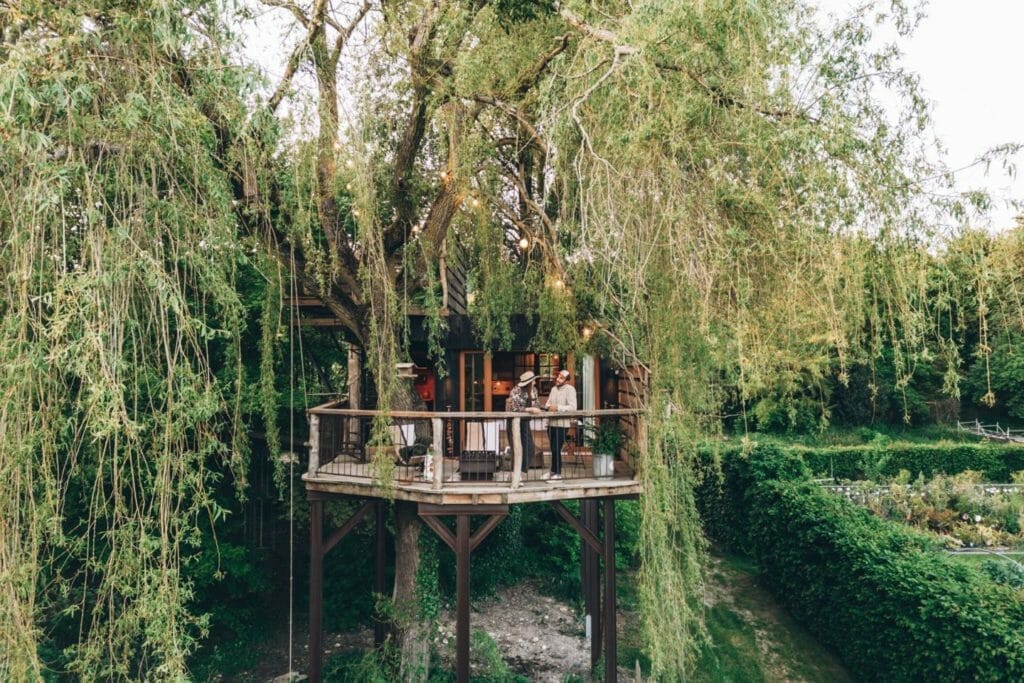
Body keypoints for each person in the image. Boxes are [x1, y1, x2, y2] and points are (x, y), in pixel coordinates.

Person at [544, 369, 577, 480]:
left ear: (566, 381)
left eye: (561, 378)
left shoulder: (570, 390)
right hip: (551, 423)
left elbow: (573, 407)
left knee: (556, 448)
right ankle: (553, 471)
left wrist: (558, 407)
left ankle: (557, 473)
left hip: (562, 424)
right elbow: (548, 403)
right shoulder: (553, 389)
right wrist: (548, 407)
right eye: (558, 376)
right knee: (553, 449)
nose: (558, 379)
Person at [508, 370, 542, 472]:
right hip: (514, 422)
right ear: (529, 382)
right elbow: (515, 408)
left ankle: (520, 472)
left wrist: (538, 407)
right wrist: (530, 409)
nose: (535, 383)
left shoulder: (534, 390)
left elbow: (537, 404)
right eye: (533, 381)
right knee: (516, 448)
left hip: (525, 422)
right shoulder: (516, 391)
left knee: (529, 448)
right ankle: (516, 474)